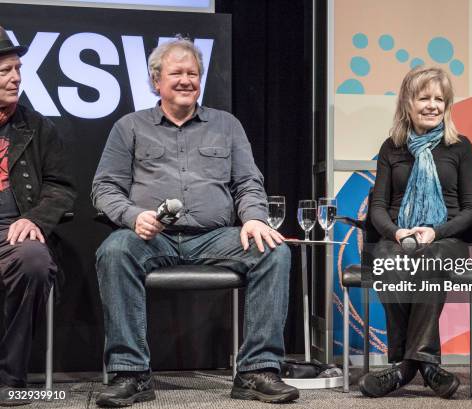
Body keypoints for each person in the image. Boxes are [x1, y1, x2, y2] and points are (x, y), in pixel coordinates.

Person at [92, 37, 298, 406]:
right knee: (114, 249)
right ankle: (131, 373)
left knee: (273, 251)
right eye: (177, 73)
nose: (186, 80)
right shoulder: (130, 126)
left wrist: (253, 218)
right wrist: (133, 216)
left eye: (193, 73)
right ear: (157, 80)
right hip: (153, 236)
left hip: (214, 235)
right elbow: (104, 188)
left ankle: (256, 371)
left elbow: (248, 183)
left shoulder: (227, 125)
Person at [358, 66, 472, 399]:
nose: (432, 105)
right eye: (424, 97)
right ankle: (427, 366)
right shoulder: (391, 148)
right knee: (387, 261)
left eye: (440, 99)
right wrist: (397, 234)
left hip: (445, 238)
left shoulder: (460, 146)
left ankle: (403, 366)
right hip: (398, 237)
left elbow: (471, 210)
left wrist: (435, 233)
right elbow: (379, 206)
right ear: (407, 103)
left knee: (429, 261)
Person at [0, 26, 76, 406]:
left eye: (17, 70)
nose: (15, 78)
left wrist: (37, 219)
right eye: (4, 71)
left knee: (34, 262)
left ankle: (8, 378)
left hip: (12, 234)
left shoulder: (38, 127)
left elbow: (61, 187)